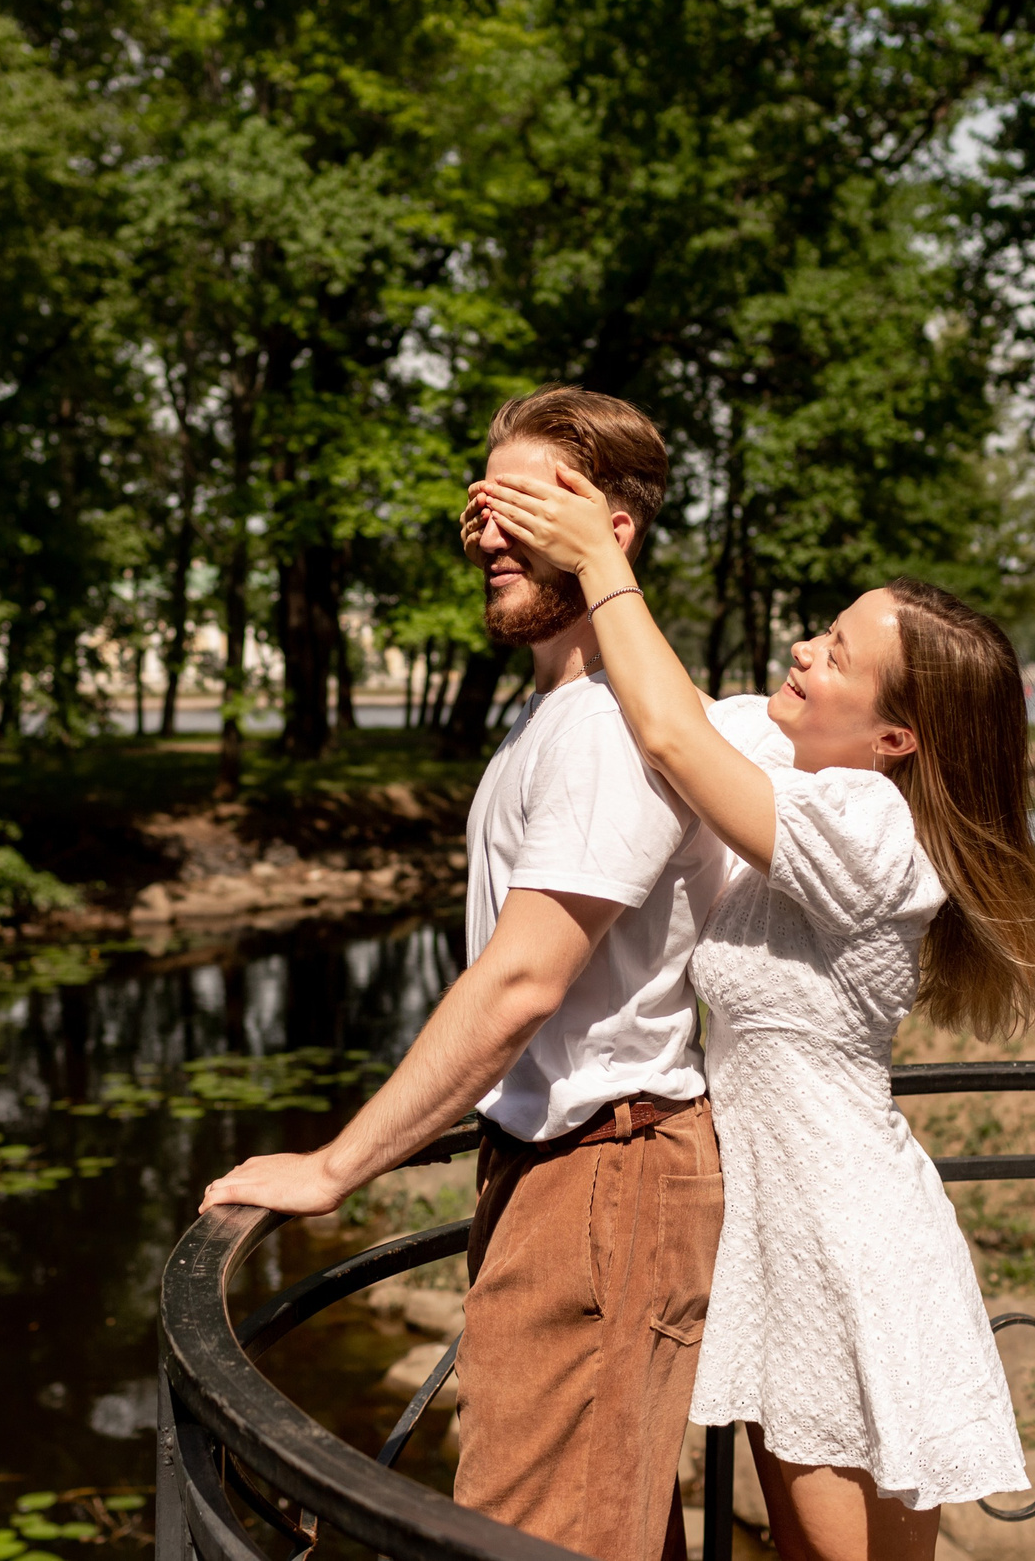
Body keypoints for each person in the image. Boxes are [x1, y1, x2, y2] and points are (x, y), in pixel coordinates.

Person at [468, 464, 1035, 1561]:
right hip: (779, 1227)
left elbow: (671, 735)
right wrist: (548, 554)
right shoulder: (801, 760)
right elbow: (646, 701)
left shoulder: (873, 831)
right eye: (820, 632)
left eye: (837, 656)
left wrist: (600, 553)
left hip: (838, 1234)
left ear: (896, 739)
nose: (805, 653)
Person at [202, 387, 729, 1561]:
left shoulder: (604, 729)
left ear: (608, 528)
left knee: (540, 1537)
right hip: (560, 1170)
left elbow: (519, 984)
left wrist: (335, 1166)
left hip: (604, 1176)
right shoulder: (558, 711)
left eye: (516, 505)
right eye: (473, 507)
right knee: (601, 1520)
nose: (482, 531)